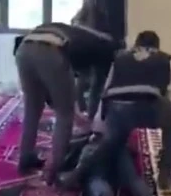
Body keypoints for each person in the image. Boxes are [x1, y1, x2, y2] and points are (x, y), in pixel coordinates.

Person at [60, 31, 171, 191]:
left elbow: (107, 90)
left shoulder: (120, 58)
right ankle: (164, 173)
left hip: (118, 106)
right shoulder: (167, 59)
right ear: (157, 47)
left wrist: (99, 124)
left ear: (135, 45)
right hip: (150, 105)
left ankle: (78, 172)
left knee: (111, 140)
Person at [14, 22, 119, 181]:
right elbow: (98, 88)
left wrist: (66, 104)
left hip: (23, 49)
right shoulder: (107, 50)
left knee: (32, 109)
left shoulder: (83, 36)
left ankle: (25, 159)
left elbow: (62, 86)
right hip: (50, 50)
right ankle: (56, 168)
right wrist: (89, 117)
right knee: (65, 115)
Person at [72, 0, 137, 120]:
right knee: (100, 82)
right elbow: (116, 15)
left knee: (85, 75)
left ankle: (81, 110)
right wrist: (120, 41)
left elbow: (86, 5)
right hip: (103, 38)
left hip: (85, 31)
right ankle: (93, 117)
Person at [62, 131, 152, 196]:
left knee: (95, 179)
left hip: (94, 150)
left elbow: (69, 145)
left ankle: (105, 194)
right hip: (119, 148)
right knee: (132, 179)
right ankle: (144, 195)